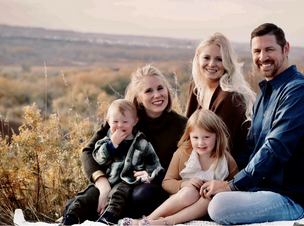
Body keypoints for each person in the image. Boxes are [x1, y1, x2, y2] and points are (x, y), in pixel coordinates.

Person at [201, 23, 304, 225]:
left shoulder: (299, 91)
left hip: (290, 197)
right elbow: (250, 149)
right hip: (261, 188)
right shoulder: (263, 96)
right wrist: (222, 178)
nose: (263, 57)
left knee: (219, 206)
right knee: (203, 192)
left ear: (285, 49)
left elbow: (275, 149)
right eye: (257, 51)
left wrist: (232, 186)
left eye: (269, 49)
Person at [68, 65, 188, 220]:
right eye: (148, 91)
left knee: (143, 194)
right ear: (138, 97)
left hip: (153, 190)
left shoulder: (182, 125)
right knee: (72, 205)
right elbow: (87, 152)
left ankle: (108, 216)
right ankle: (105, 213)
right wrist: (102, 184)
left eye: (160, 88)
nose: (157, 95)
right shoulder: (125, 119)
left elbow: (187, 167)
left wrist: (153, 176)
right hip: (116, 186)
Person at [121, 109, 238, 226]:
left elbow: (234, 186)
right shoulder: (183, 153)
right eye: (195, 138)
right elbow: (166, 182)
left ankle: (162, 223)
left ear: (216, 136)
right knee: (191, 192)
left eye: (206, 137)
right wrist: (184, 184)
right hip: (183, 201)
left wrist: (217, 187)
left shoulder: (225, 160)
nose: (201, 143)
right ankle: (147, 220)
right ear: (189, 136)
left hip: (207, 207)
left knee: (209, 197)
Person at [60, 99, 164, 225]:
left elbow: (154, 164)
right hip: (108, 179)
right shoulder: (105, 141)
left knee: (118, 195)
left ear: (135, 122)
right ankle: (71, 217)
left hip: (128, 181)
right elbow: (98, 158)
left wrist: (151, 176)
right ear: (108, 122)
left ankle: (109, 218)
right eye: (115, 122)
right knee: (87, 195)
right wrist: (112, 145)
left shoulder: (143, 144)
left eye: (125, 122)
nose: (120, 125)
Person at [185, 32, 256, 159]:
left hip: (226, 166)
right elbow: (187, 133)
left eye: (219, 59)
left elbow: (221, 150)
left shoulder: (231, 97)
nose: (212, 64)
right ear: (198, 57)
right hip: (200, 159)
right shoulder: (196, 87)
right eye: (206, 58)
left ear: (227, 62)